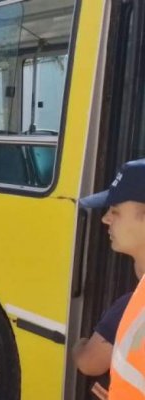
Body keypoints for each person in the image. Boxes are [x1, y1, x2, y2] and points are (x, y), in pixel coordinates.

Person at [79, 158, 145, 400]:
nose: (105, 219)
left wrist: (79, 344)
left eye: (115, 210)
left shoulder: (134, 310)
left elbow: (88, 363)